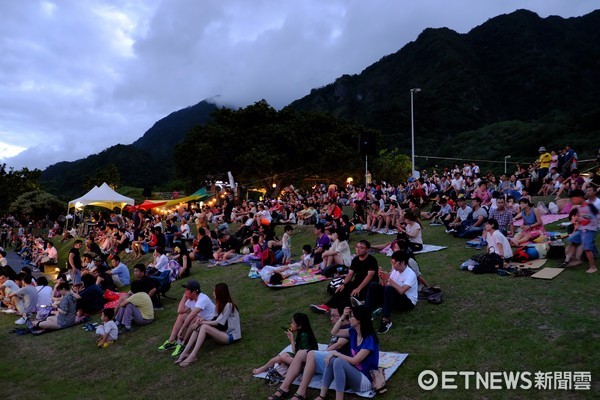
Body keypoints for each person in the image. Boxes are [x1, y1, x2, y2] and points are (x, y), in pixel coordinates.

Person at [266, 307, 350, 400]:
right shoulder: (339, 329)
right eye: (331, 316)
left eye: (334, 316)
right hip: (328, 359)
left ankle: (301, 393)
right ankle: (284, 388)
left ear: (344, 316)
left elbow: (338, 345)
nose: (331, 318)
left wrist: (318, 353)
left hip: (335, 362)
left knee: (305, 354)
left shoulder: (348, 329)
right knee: (301, 353)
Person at [314, 305, 379, 400]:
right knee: (332, 360)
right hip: (355, 374)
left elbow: (355, 361)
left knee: (338, 361)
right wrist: (343, 316)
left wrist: (337, 354)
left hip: (365, 380)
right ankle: (322, 395)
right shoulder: (353, 332)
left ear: (359, 319)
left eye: (351, 316)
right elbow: (334, 332)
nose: (349, 318)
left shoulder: (369, 339)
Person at [175, 282, 241, 367]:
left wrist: (202, 322)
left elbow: (217, 322)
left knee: (204, 327)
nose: (213, 292)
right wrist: (201, 320)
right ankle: (185, 353)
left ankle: (192, 356)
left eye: (215, 291)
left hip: (232, 336)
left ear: (220, 293)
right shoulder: (219, 304)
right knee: (199, 325)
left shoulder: (228, 305)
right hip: (223, 333)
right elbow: (214, 318)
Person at [310, 240, 378, 314]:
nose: (358, 249)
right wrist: (343, 284)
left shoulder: (371, 260)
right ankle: (326, 307)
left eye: (361, 248)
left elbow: (370, 276)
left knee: (350, 297)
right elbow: (350, 273)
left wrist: (359, 288)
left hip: (368, 286)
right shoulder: (355, 259)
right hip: (356, 283)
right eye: (357, 247)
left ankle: (339, 309)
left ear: (367, 250)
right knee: (341, 289)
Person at [158, 280, 215, 358]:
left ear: (194, 292)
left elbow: (192, 315)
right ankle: (171, 340)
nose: (185, 292)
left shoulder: (202, 299)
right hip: (199, 322)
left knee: (195, 317)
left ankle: (182, 343)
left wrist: (181, 329)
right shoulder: (191, 299)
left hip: (211, 324)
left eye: (187, 290)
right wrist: (184, 297)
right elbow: (180, 311)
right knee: (182, 315)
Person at [364, 251, 417, 334]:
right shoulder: (395, 271)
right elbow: (386, 287)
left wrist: (388, 279)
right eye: (392, 263)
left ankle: (386, 320)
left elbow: (402, 291)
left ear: (402, 262)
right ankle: (366, 313)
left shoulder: (410, 274)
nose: (393, 265)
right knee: (373, 285)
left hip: (407, 302)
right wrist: (382, 278)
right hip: (395, 297)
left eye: (394, 263)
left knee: (390, 289)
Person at [252, 312, 318, 375]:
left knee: (283, 356)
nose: (291, 325)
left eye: (293, 323)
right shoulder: (302, 332)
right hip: (300, 359)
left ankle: (295, 369)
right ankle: (263, 368)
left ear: (300, 326)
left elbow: (298, 354)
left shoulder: (304, 335)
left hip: (306, 363)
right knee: (278, 358)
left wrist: (291, 339)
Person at [562, 189, 598, 273]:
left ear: (580, 197)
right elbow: (581, 218)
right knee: (571, 240)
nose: (572, 201)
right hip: (582, 229)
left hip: (589, 229)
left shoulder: (589, 206)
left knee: (587, 248)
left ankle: (592, 267)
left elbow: (593, 217)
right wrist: (579, 220)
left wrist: (584, 219)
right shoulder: (579, 207)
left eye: (573, 199)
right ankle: (574, 259)